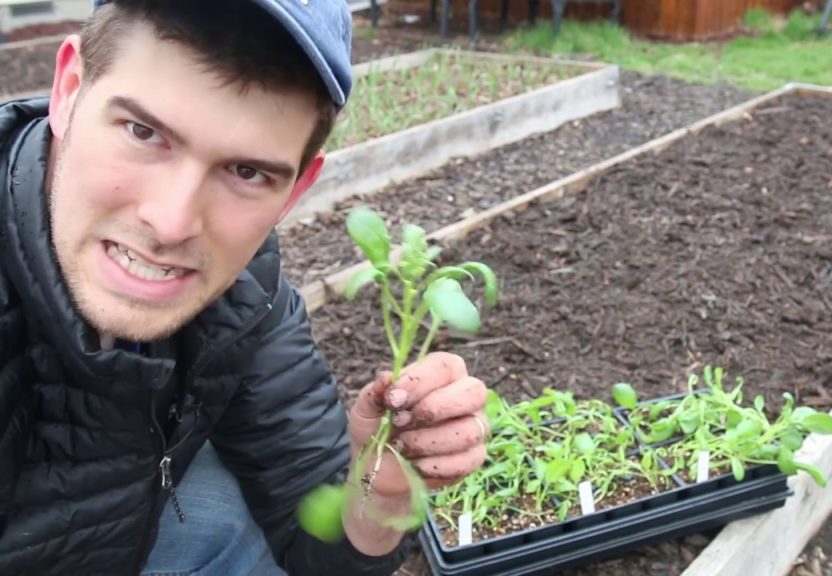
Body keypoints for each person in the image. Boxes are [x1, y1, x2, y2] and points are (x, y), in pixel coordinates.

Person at [0, 0, 489, 574]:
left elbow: (319, 540)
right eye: (143, 131)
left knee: (236, 509)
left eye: (246, 172)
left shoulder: (243, 291)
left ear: (296, 189)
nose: (172, 222)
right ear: (69, 90)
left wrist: (377, 495)